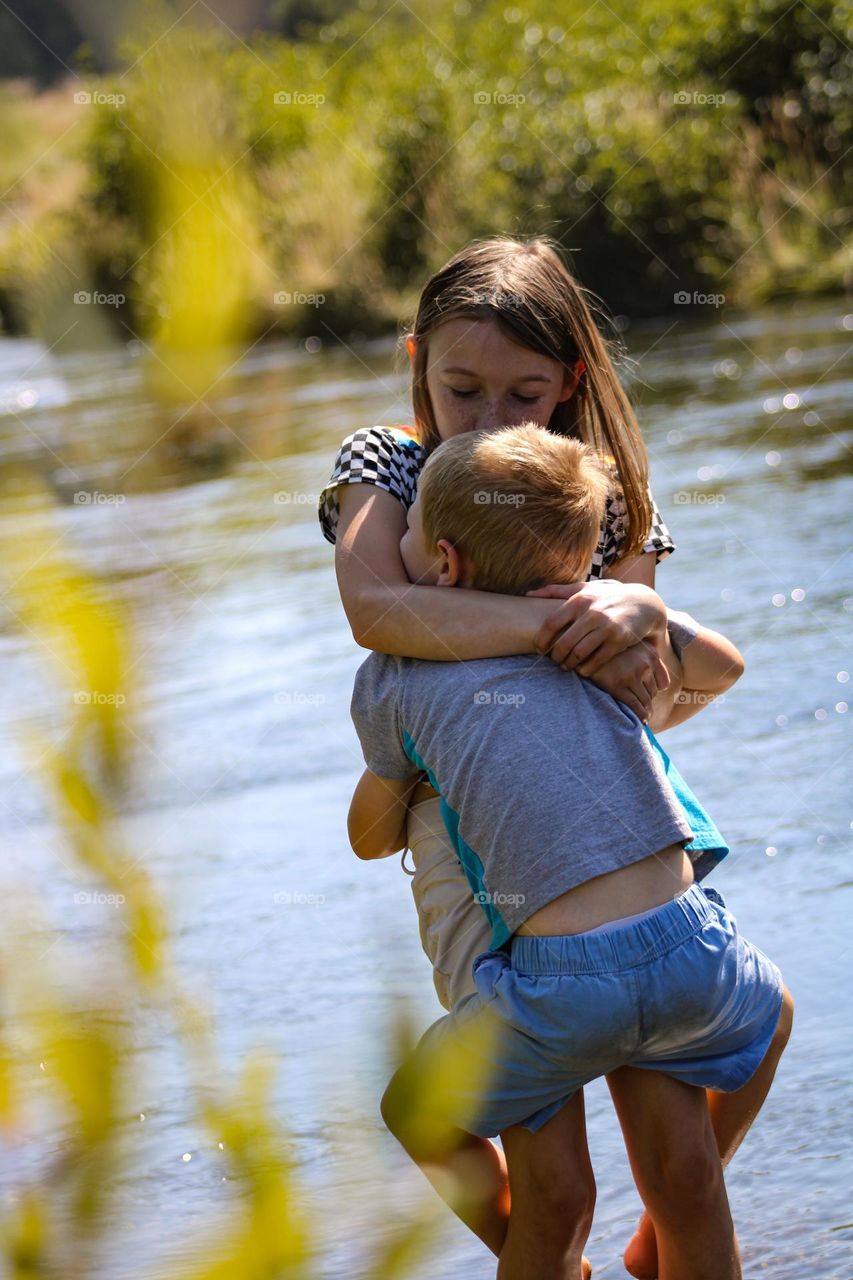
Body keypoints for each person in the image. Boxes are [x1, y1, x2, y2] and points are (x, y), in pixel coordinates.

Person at [317, 236, 790, 1276]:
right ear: (417, 365)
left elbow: (642, 690)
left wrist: (638, 602)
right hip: (470, 847)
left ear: (569, 381)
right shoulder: (387, 461)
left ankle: (651, 1250)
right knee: (553, 1184)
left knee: (682, 1162)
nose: (489, 420)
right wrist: (558, 620)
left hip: (609, 829)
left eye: (524, 393)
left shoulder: (594, 484)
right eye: (461, 388)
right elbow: (377, 608)